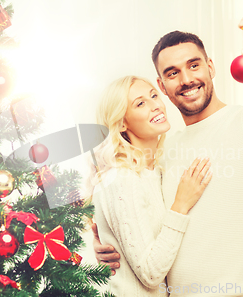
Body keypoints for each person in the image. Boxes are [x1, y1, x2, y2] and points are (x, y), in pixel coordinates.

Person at [92, 10, 243, 296]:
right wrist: (108, 245)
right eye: (172, 73)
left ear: (211, 67)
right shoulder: (164, 150)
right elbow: (138, 217)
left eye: (194, 65)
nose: (187, 79)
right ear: (162, 86)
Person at [86, 75, 213, 296]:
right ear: (122, 122)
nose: (155, 105)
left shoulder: (157, 171)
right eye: (140, 103)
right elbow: (151, 273)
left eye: (154, 95)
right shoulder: (122, 178)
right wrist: (180, 205)